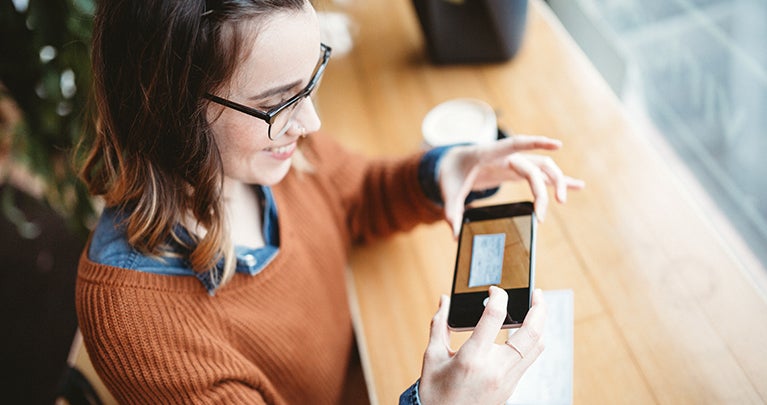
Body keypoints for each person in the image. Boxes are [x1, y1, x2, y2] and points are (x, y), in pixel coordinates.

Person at [75, 0, 585, 404]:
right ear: (167, 107)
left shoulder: (267, 149)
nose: (312, 123)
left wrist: (442, 171)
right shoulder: (136, 322)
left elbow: (355, 195)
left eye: (312, 79)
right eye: (277, 102)